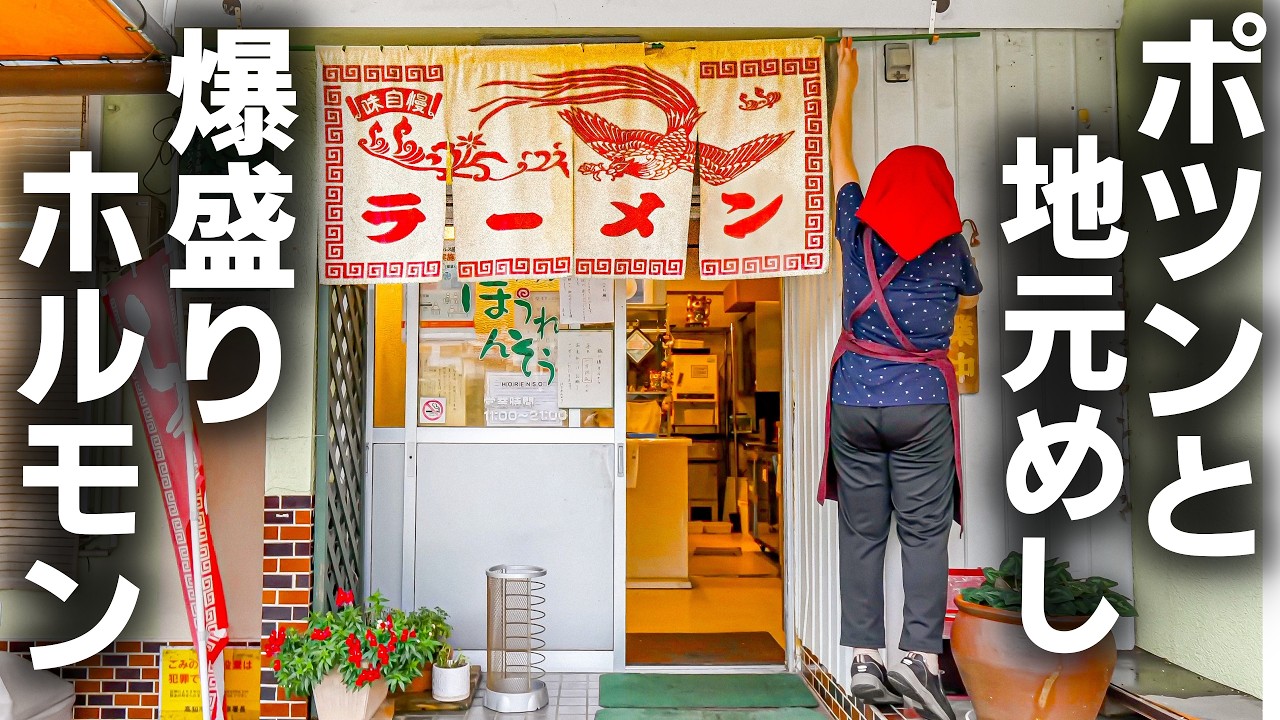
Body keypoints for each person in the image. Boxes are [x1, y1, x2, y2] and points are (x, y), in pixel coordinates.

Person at [819, 37, 982, 720]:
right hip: (921, 405)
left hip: (855, 401)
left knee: (861, 534)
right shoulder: (952, 252)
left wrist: (847, 83)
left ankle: (863, 661)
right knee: (923, 535)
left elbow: (839, 154)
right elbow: (966, 302)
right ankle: (918, 660)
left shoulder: (856, 232)